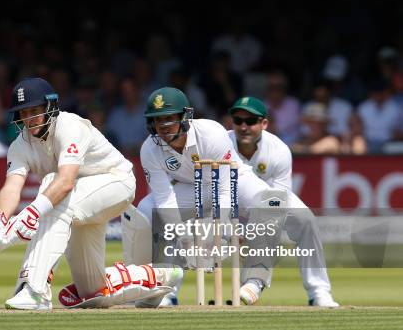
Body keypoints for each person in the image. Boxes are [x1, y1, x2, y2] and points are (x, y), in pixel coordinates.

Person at [121, 89, 338, 307]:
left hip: (235, 179)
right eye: (158, 120)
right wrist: (187, 242)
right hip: (190, 186)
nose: (164, 126)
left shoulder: (211, 133)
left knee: (298, 215)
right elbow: (165, 200)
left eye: (169, 118)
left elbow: (224, 190)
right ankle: (157, 288)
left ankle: (315, 291)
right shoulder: (149, 149)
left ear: (184, 117)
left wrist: (220, 238)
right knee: (146, 209)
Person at [0, 78, 181, 310]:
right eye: (23, 112)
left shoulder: (70, 126)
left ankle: (34, 290)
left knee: (52, 189)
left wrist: (31, 214)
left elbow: (65, 181)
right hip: (78, 202)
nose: (29, 118)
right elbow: (12, 186)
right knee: (91, 291)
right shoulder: (20, 145)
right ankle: (160, 276)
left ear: (49, 107)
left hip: (116, 183)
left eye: (34, 110)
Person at [227, 96, 338, 306]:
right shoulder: (221, 145)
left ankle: (319, 292)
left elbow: (277, 202)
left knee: (306, 220)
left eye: (250, 121)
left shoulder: (278, 150)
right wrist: (234, 226)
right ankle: (168, 293)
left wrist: (250, 230)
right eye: (238, 120)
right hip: (230, 205)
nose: (243, 126)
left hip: (271, 202)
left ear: (264, 124)